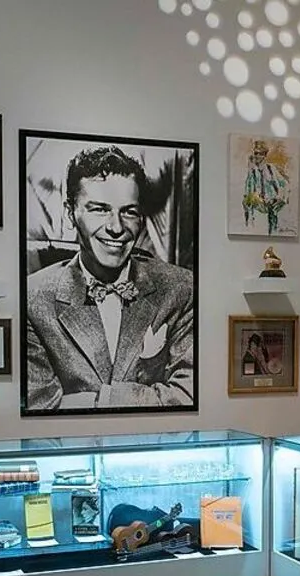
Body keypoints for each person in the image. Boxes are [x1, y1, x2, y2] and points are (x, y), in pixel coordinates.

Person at [26, 145, 194, 410]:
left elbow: (187, 396)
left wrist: (98, 400)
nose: (116, 227)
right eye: (100, 209)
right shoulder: (34, 299)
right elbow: (40, 406)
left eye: (129, 211)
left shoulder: (181, 288)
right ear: (70, 213)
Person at [242, 140, 289, 235]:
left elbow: (284, 184)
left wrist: (280, 198)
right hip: (258, 210)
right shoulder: (252, 171)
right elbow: (247, 192)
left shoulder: (271, 169)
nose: (257, 156)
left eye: (260, 153)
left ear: (264, 155)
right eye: (256, 153)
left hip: (272, 208)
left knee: (273, 233)